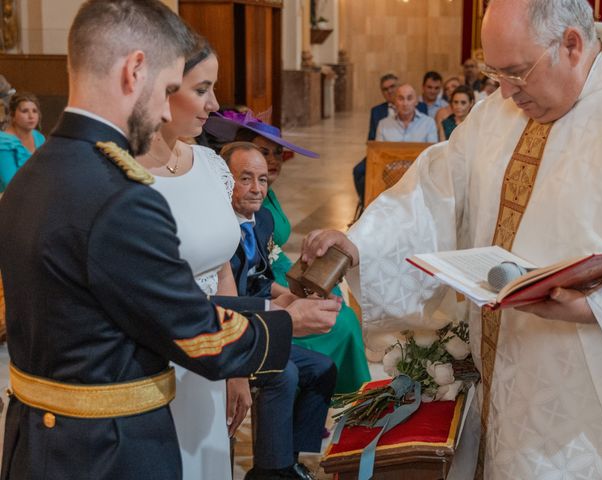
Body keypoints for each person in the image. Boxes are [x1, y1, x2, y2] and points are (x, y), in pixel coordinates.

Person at [301, 0, 602, 478]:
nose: (504, 92)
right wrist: (364, 241)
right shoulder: (501, 109)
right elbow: (438, 186)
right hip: (502, 361)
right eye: (494, 72)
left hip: (589, 385)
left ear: (571, 44)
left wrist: (597, 308)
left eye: (517, 73)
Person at [0, 1, 336, 479]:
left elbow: (119, 309)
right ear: (135, 70)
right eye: (169, 88)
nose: (163, 108)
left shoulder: (33, 173)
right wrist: (286, 322)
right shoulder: (120, 196)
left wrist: (265, 310)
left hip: (37, 441)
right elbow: (192, 329)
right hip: (110, 449)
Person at [204, 112, 371, 394]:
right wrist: (284, 300)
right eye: (263, 152)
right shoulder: (230, 211)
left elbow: (264, 256)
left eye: (277, 154)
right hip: (250, 293)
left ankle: (342, 399)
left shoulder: (265, 197)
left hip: (272, 273)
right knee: (340, 324)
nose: (271, 161)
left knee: (340, 309)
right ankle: (338, 395)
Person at [222, 141, 337, 480]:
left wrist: (291, 296)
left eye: (263, 180)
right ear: (224, 181)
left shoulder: (263, 221)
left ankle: (293, 457)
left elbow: (260, 277)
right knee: (283, 373)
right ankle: (271, 472)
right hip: (229, 326)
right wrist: (279, 307)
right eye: (246, 179)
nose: (257, 189)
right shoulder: (215, 231)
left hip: (261, 319)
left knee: (323, 369)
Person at [352, 73, 399, 205]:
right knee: (358, 171)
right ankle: (366, 203)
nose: (389, 91)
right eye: (385, 89)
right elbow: (372, 137)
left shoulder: (413, 107)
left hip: (402, 152)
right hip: (381, 152)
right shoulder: (377, 111)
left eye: (392, 86)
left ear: (398, 86)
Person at [0, 92, 45, 192]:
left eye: (34, 111)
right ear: (12, 115)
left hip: (36, 194)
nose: (31, 116)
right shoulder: (3, 143)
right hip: (8, 199)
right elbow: (10, 184)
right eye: (25, 111)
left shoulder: (39, 137)